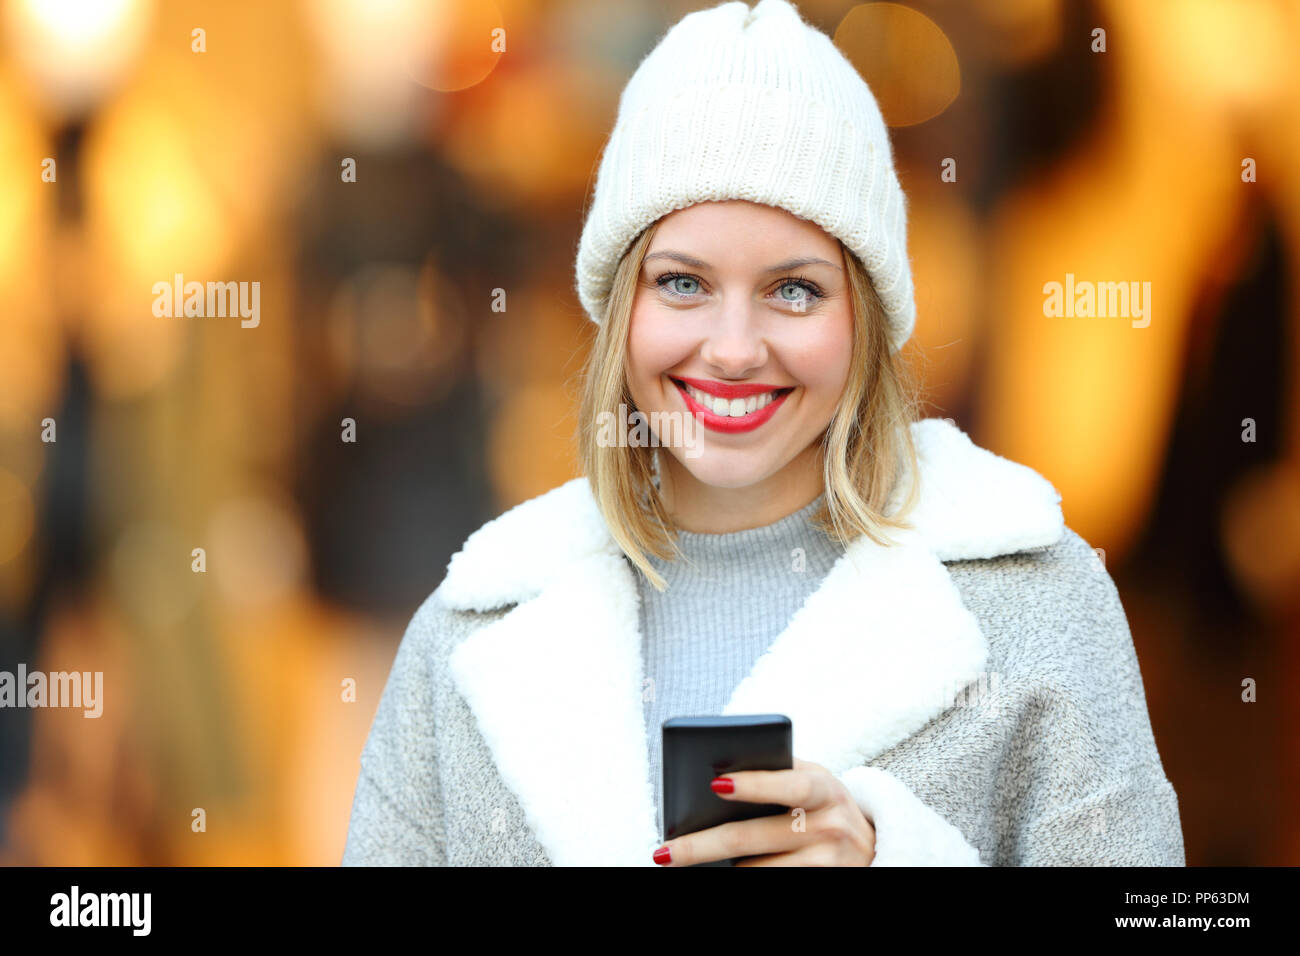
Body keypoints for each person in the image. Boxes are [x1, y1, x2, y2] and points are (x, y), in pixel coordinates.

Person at [341, 0, 1184, 866]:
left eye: (794, 290)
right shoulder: (473, 631)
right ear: (618, 308)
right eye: (681, 284)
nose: (735, 350)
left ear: (867, 317)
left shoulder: (1036, 601)